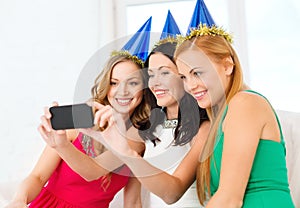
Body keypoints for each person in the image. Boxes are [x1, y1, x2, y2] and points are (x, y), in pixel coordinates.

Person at [6, 17, 152, 208]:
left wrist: (62, 145)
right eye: (115, 83)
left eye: (132, 83)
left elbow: (130, 201)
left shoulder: (136, 143)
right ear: (107, 87)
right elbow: (38, 177)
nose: (122, 91)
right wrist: (18, 200)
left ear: (143, 90)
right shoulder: (78, 125)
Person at [174, 24, 295, 207]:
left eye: (197, 73)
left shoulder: (245, 103)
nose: (190, 86)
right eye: (183, 77)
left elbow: (230, 199)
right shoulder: (223, 118)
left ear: (228, 66)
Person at [138, 10, 208, 208]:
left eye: (165, 73)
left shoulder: (203, 128)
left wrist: (126, 154)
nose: (155, 82)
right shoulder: (151, 128)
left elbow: (172, 193)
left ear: (184, 76)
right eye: (151, 75)